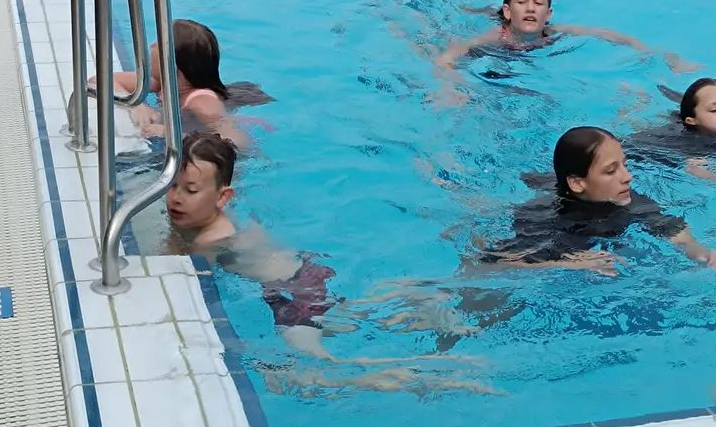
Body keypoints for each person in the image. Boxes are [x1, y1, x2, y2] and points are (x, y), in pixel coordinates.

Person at [169, 132, 487, 384]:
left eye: (190, 190)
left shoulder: (209, 241)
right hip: (308, 271)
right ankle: (413, 301)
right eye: (171, 185)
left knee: (319, 369)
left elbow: (185, 288)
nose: (176, 198)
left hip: (289, 295)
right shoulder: (231, 219)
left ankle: (422, 371)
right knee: (346, 315)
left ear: (223, 197)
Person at [472, 127, 716, 275]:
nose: (628, 177)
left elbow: (671, 229)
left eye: (624, 165)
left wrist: (705, 254)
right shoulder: (544, 220)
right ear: (577, 182)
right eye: (611, 171)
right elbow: (490, 262)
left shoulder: (628, 200)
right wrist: (567, 262)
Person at [433, 0, 699, 100]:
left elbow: (607, 34)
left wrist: (666, 57)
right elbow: (445, 58)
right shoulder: (493, 38)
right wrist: (450, 86)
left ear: (547, 14)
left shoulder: (555, 34)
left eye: (537, 3)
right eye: (522, 2)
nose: (529, 8)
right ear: (507, 11)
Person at [103, 20, 268, 147]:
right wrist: (136, 104)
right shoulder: (160, 82)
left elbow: (235, 143)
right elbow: (100, 80)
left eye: (158, 44)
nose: (151, 45)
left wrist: (170, 133)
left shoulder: (202, 103)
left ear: (172, 65)